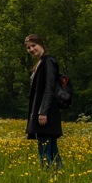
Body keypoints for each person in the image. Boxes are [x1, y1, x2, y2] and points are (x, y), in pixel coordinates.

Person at [24, 34, 63, 169]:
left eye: (33, 45)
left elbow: (49, 88)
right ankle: (58, 177)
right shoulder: (41, 62)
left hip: (46, 114)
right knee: (50, 150)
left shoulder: (48, 61)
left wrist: (42, 112)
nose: (31, 49)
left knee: (46, 150)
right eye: (29, 48)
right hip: (44, 113)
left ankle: (49, 177)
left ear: (41, 45)